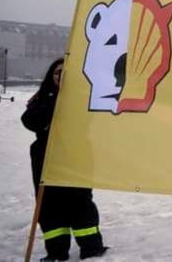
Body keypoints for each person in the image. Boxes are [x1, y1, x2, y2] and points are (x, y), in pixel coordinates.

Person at [21, 58, 108, 261]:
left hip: (76, 154)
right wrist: (52, 100)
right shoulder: (42, 98)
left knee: (80, 201)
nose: (60, 75)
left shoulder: (84, 96)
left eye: (64, 72)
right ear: (51, 76)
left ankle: (91, 247)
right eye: (57, 72)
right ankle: (56, 252)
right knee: (49, 204)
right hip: (46, 156)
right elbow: (30, 121)